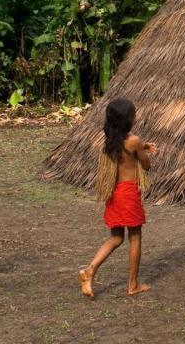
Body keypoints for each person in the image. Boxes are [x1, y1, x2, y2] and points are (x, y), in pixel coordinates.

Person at [78, 98, 156, 298]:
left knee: (116, 237)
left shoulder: (110, 141)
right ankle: (133, 285)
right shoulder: (134, 141)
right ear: (128, 119)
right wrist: (147, 152)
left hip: (115, 193)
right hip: (129, 194)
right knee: (135, 236)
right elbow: (145, 165)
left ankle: (90, 270)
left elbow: (127, 154)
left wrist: (142, 147)